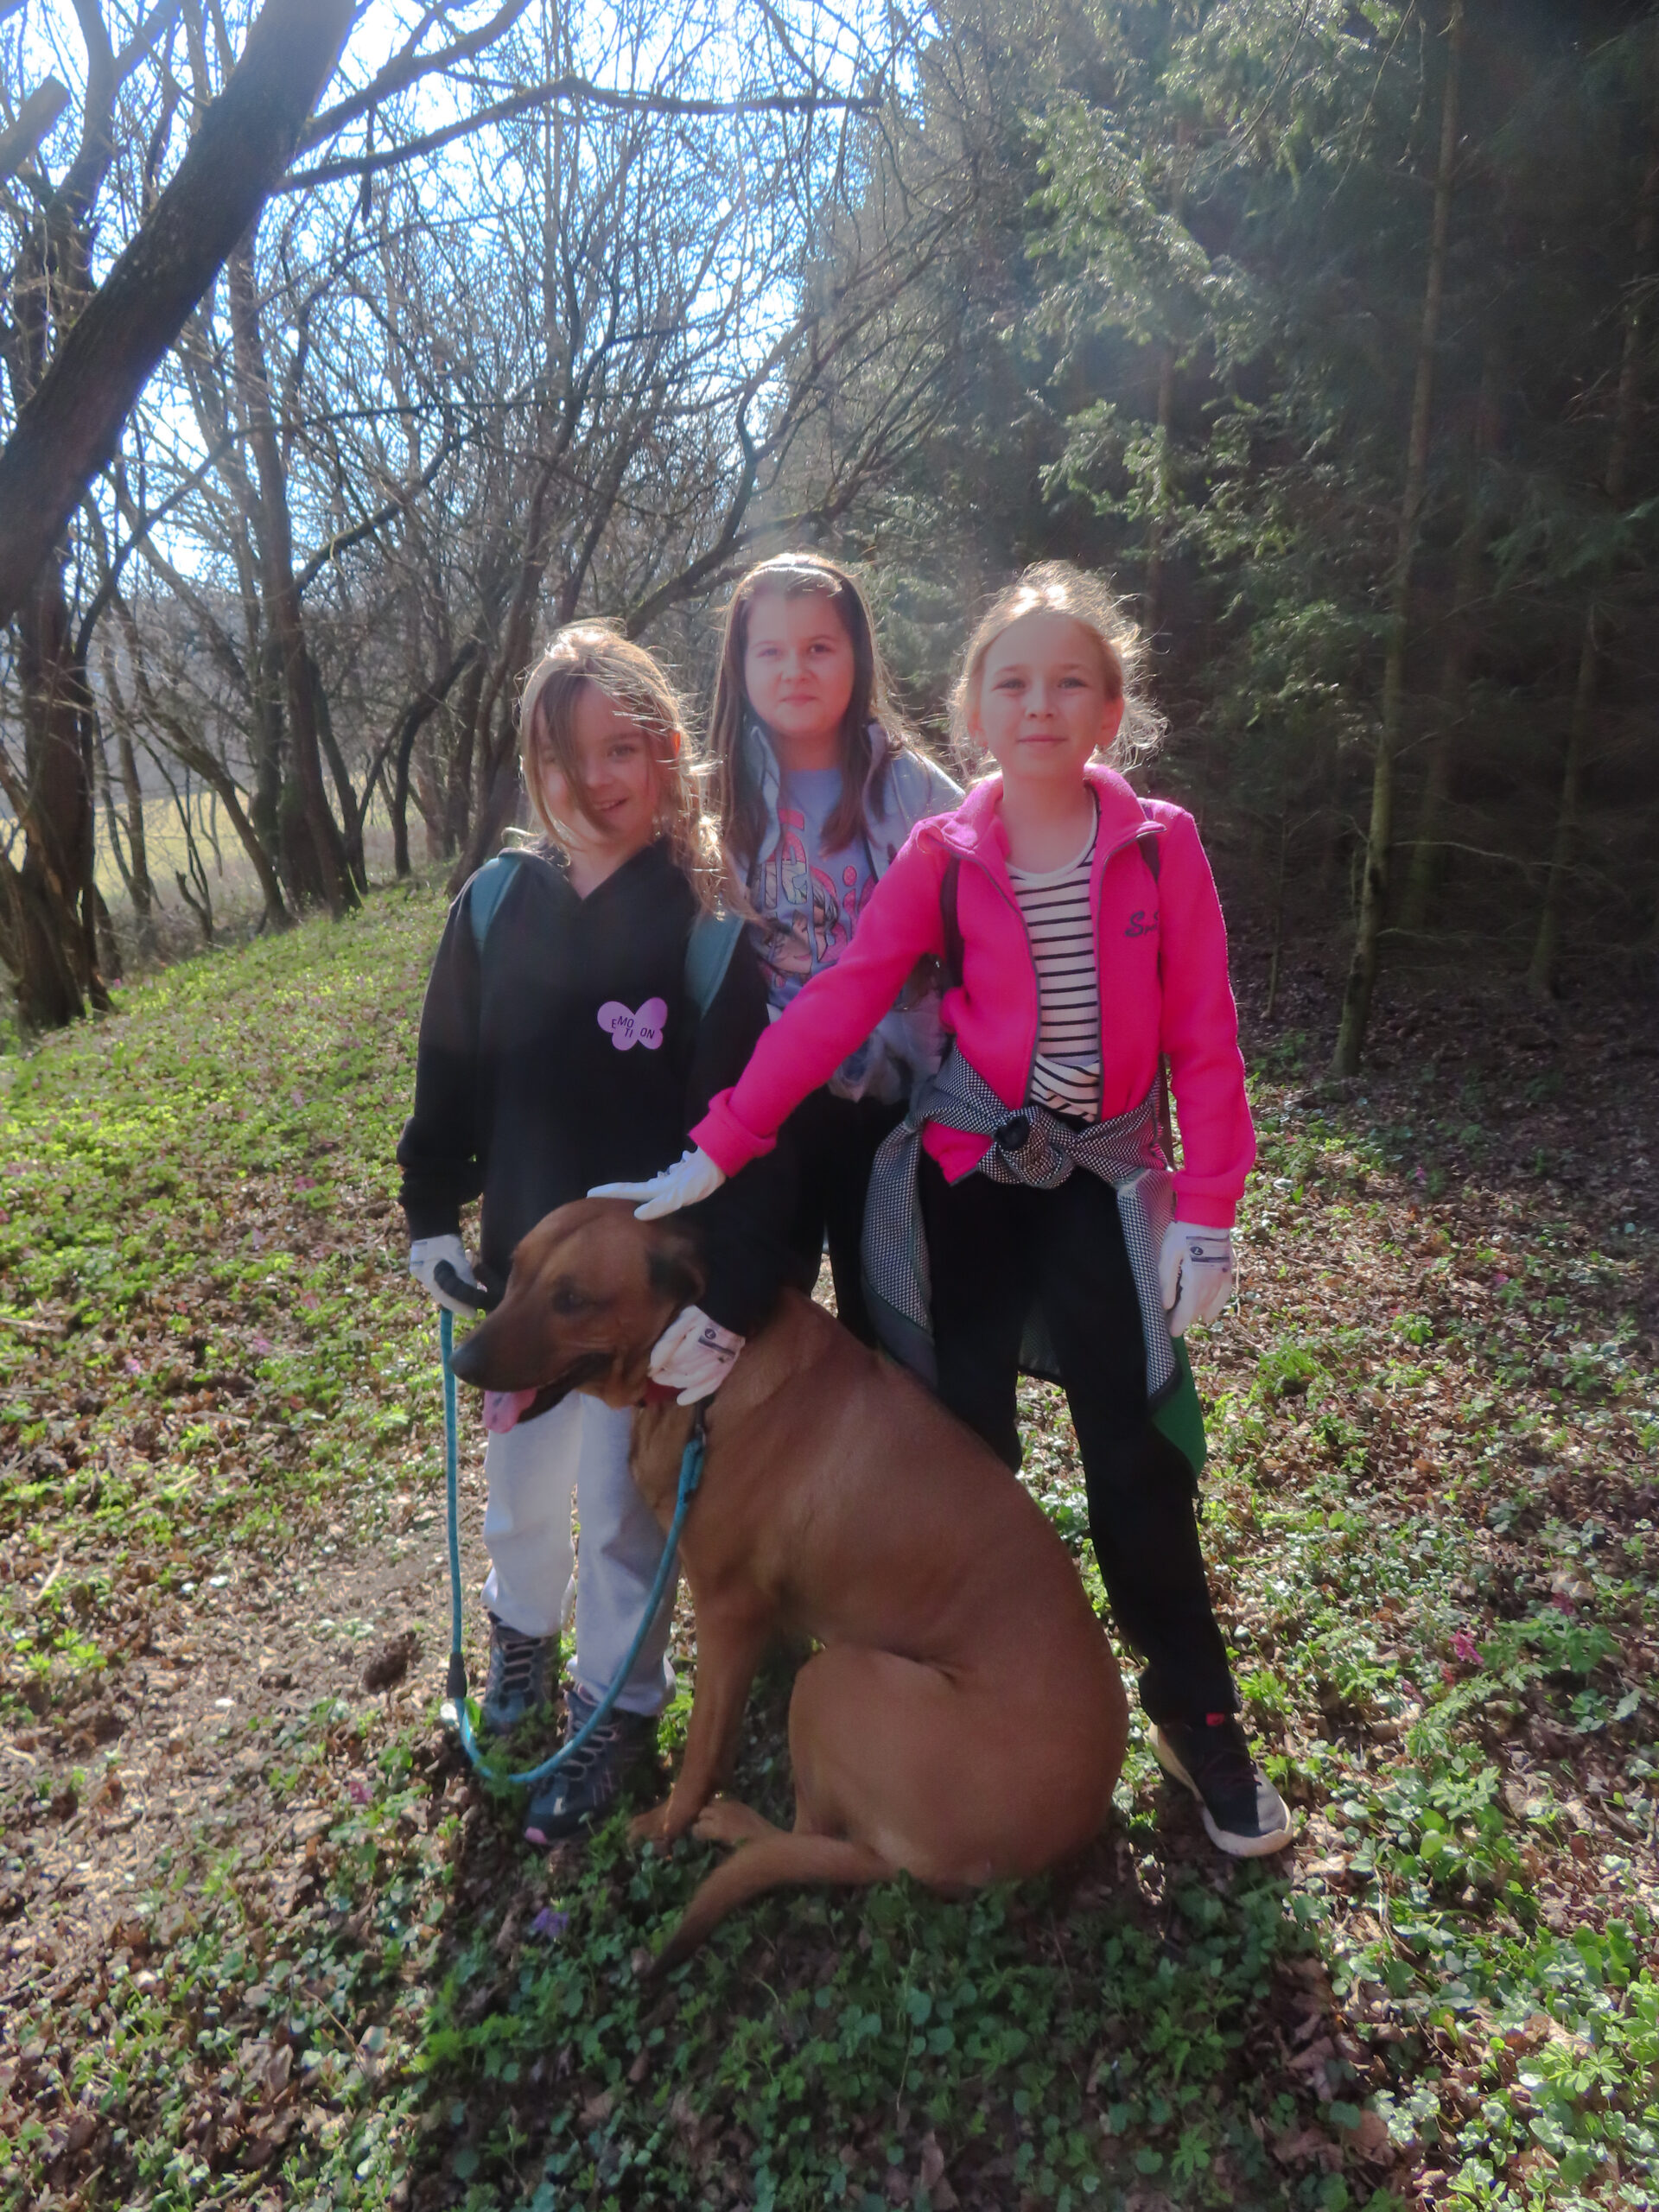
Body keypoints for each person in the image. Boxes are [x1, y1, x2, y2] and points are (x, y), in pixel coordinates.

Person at [605, 564, 1293, 1858]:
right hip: (965, 1178)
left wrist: (1209, 1205)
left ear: (1112, 709)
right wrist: (724, 1140)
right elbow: (841, 996)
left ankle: (1196, 1715)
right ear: (975, 708)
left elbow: (1206, 1035)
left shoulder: (1163, 847)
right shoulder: (945, 849)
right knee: (955, 1440)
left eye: (1070, 683)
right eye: (1013, 683)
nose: (1041, 706)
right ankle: (930, 1669)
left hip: (1104, 1178)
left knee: (1137, 1448)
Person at [397, 625, 795, 1845]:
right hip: (520, 1284)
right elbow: (446, 1074)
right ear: (533, 768)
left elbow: (743, 1131)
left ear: (667, 750)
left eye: (622, 750)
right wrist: (430, 1214)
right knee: (519, 1483)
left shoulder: (706, 931)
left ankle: (617, 1701)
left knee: (624, 1507)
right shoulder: (494, 905)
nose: (596, 782)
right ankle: (520, 1637)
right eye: (565, 760)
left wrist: (721, 1295)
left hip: (636, 1311)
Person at [701, 553, 959, 1340]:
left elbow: (990, 888)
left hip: (891, 1101)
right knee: (760, 1313)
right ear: (741, 666)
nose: (796, 670)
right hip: (764, 1100)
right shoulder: (712, 797)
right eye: (771, 651)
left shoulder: (912, 789)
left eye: (819, 647)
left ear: (858, 656)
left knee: (889, 1315)